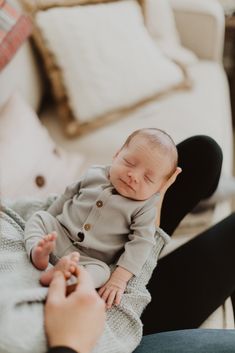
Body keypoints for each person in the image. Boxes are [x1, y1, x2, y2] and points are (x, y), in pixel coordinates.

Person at [44, 135, 235, 353]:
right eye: (129, 164)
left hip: (97, 283)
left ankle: (190, 200)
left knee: (204, 153)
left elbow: (58, 205)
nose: (133, 175)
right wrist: (66, 343)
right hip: (108, 336)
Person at [24, 128, 181, 308]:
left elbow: (142, 243)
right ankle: (38, 251)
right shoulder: (93, 174)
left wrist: (119, 280)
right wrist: (48, 225)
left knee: (102, 273)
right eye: (129, 163)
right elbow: (66, 197)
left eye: (148, 178)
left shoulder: (144, 209)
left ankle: (65, 281)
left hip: (88, 260)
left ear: (160, 188)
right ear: (116, 154)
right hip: (58, 234)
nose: (134, 176)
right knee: (39, 217)